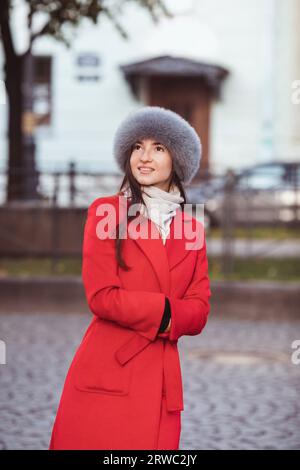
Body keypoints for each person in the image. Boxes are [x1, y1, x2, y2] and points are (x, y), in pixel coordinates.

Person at [48, 106, 211, 450]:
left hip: (163, 380)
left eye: (158, 147)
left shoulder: (191, 227)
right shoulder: (107, 212)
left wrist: (174, 314)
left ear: (177, 160)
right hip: (110, 370)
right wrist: (168, 314)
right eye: (137, 146)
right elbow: (102, 296)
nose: (145, 157)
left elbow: (199, 310)